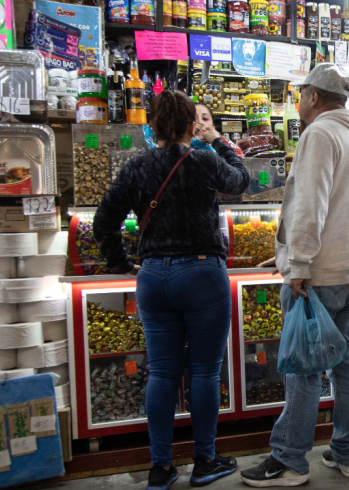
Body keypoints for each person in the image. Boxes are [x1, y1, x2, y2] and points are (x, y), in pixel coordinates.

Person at [93, 90, 249, 490]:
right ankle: (205, 460)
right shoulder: (203, 158)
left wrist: (122, 264)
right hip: (201, 274)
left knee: (161, 374)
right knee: (204, 372)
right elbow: (241, 181)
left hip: (154, 277)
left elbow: (104, 221)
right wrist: (216, 139)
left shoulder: (136, 167)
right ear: (188, 125)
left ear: (152, 126)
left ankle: (161, 467)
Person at [240, 63, 349, 487]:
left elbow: (310, 207)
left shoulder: (319, 133)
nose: (298, 101)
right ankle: (348, 453)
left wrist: (297, 264)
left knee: (303, 370)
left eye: (300, 94)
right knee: (344, 366)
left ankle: (290, 460)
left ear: (314, 96)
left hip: (318, 277)